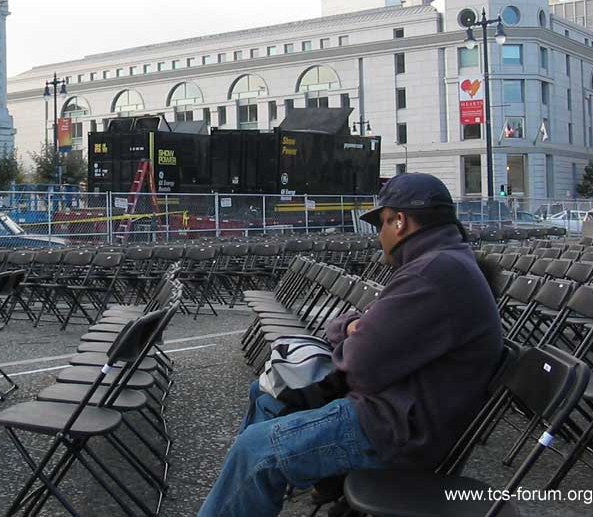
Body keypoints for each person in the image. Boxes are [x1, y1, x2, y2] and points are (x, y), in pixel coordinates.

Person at [199, 173, 504, 517]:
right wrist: (353, 329)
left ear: (400, 221)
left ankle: (244, 491)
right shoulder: (441, 263)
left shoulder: (431, 272)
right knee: (266, 395)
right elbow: (355, 328)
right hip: (398, 413)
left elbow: (358, 365)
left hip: (394, 431)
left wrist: (356, 333)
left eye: (381, 223)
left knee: (254, 452)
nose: (379, 235)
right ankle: (242, 498)